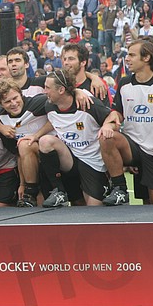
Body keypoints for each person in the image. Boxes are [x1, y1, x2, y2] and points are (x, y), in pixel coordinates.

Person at [99, 39, 153, 205]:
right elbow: (117, 114)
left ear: (146, 58)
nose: (127, 58)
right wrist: (108, 124)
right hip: (133, 147)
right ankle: (119, 188)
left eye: (131, 55)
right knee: (106, 137)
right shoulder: (124, 83)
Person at [35, 69, 112, 207]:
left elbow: (113, 116)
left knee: (94, 207)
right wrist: (35, 135)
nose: (44, 91)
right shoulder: (49, 105)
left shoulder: (87, 103)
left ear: (61, 90)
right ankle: (58, 191)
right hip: (70, 158)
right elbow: (53, 122)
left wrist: (107, 126)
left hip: (91, 160)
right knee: (45, 142)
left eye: (47, 88)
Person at [0, 79, 51, 207]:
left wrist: (78, 92)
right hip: (32, 164)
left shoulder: (37, 102)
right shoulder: (0, 114)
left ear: (20, 94)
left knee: (25, 143)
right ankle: (30, 192)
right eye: (7, 101)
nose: (13, 103)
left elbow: (61, 100)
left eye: (15, 98)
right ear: (1, 104)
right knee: (23, 145)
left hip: (53, 155)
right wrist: (22, 184)